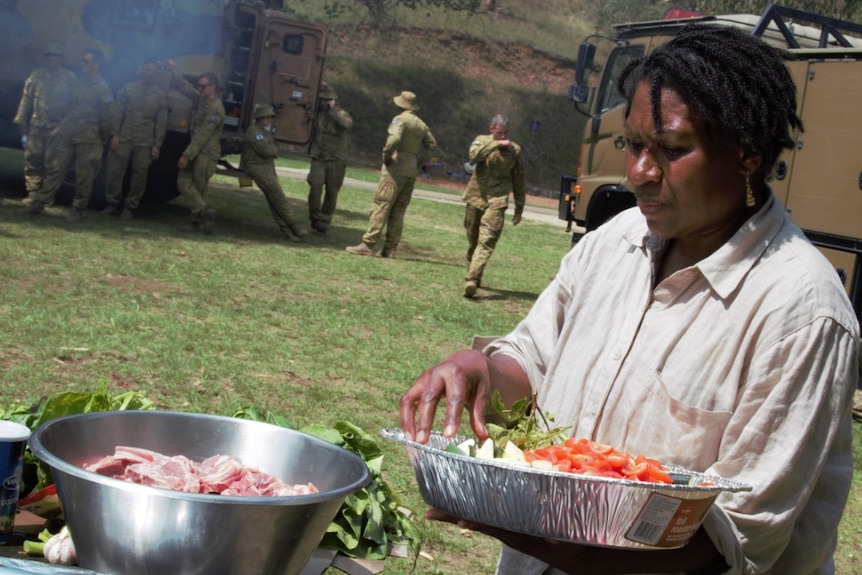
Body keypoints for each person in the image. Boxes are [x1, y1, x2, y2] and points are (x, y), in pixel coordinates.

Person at [399, 24, 859, 575]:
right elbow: (531, 364)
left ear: (747, 154)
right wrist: (479, 372)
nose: (639, 172)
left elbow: (725, 548)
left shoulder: (800, 312)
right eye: (634, 144)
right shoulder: (614, 242)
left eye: (670, 150)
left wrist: (524, 526)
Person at [27, 48, 117, 222]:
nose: (82, 64)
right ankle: (39, 203)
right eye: (82, 61)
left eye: (86, 61)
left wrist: (102, 137)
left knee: (83, 176)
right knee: (56, 167)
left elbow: (108, 117)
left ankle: (78, 209)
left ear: (96, 64)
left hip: (89, 138)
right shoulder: (78, 83)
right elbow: (68, 107)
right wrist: (60, 128)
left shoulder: (102, 88)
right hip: (69, 133)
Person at [346, 90, 437, 258]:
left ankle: (368, 243)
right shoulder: (421, 125)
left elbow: (393, 139)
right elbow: (432, 146)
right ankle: (390, 248)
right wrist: (417, 161)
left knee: (382, 204)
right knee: (399, 210)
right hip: (410, 169)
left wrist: (387, 155)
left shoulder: (399, 120)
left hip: (396, 167)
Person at [461, 113, 526, 297]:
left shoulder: (515, 150)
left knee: (487, 240)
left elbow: (519, 179)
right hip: (476, 197)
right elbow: (474, 156)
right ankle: (472, 269)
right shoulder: (481, 141)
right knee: (472, 237)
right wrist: (495, 144)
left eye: (505, 133)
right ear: (491, 129)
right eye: (499, 133)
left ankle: (472, 279)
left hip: (497, 200)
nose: (503, 137)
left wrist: (519, 206)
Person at [101, 59, 168, 219]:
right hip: (125, 136)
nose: (149, 74)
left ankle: (129, 207)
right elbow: (118, 113)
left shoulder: (159, 95)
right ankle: (112, 204)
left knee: (140, 175)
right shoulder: (128, 89)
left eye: (153, 71)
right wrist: (115, 134)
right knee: (115, 171)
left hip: (145, 141)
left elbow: (161, 122)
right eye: (147, 70)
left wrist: (157, 145)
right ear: (141, 71)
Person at [164, 61, 224, 235]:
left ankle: (199, 222)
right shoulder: (203, 100)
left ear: (212, 87)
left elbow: (202, 136)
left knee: (200, 187)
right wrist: (174, 71)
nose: (200, 89)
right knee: (183, 182)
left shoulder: (216, 110)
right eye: (199, 86)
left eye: (203, 86)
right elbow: (187, 89)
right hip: (197, 152)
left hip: (205, 154)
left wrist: (186, 155)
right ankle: (204, 212)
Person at [13, 43, 76, 205]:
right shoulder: (36, 76)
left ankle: (46, 196)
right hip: (37, 124)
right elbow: (26, 99)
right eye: (48, 55)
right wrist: (21, 119)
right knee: (33, 159)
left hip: (58, 127)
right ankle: (33, 193)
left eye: (55, 56)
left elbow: (74, 105)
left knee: (54, 164)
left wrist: (65, 126)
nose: (51, 59)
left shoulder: (70, 79)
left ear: (61, 59)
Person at [241, 104, 308, 242]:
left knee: (274, 199)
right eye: (268, 117)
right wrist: (273, 150)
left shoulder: (263, 132)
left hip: (266, 167)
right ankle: (293, 225)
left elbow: (271, 149)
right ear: (261, 118)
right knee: (277, 196)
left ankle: (286, 230)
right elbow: (268, 151)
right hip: (256, 167)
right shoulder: (255, 132)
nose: (270, 120)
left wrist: (273, 149)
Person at [307, 83, 353, 236]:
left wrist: (333, 110)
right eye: (322, 100)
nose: (324, 103)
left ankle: (323, 223)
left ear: (334, 100)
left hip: (336, 159)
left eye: (328, 100)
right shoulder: (317, 113)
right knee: (315, 186)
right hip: (319, 156)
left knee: (332, 192)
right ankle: (315, 217)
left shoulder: (340, 113)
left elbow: (347, 124)